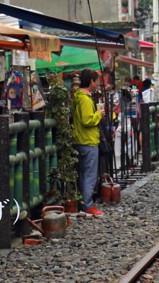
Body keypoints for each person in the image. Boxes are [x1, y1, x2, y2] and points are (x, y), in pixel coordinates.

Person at [71, 69, 103, 218]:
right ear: (91, 81)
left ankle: (85, 203)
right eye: (96, 81)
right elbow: (87, 120)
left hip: (81, 139)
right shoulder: (85, 99)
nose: (97, 84)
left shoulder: (79, 97)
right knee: (89, 175)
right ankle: (87, 205)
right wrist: (99, 114)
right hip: (88, 140)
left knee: (84, 174)